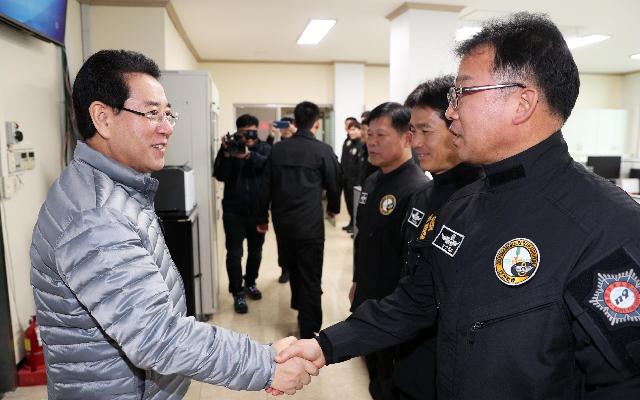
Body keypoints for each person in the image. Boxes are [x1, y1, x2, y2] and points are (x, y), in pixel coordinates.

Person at [276, 12, 640, 399]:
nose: (451, 112)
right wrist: (324, 345)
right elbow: (414, 301)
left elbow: (625, 383)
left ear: (522, 102)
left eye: (462, 94)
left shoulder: (607, 225)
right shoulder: (461, 206)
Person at [29, 49, 317, 399]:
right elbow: (157, 335)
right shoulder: (96, 216)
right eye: (152, 114)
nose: (166, 128)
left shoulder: (113, 190)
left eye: (168, 114)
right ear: (102, 118)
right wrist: (265, 364)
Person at [392, 76, 483, 400]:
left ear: (456, 124)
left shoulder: (481, 201)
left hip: (451, 371)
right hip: (409, 358)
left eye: (425, 130)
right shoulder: (423, 195)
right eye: (413, 131)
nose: (415, 142)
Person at [349, 102, 429, 399]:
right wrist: (358, 280)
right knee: (374, 376)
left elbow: (413, 263)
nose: (371, 141)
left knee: (389, 382)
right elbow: (364, 239)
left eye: (381, 135)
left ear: (407, 138)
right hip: (369, 297)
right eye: (369, 134)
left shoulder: (417, 189)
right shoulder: (372, 180)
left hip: (393, 310)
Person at [260, 101, 341, 339]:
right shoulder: (323, 150)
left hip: (284, 224)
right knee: (311, 274)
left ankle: (300, 308)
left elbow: (265, 186)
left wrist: (261, 216)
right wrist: (333, 209)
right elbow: (334, 183)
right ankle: (309, 330)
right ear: (316, 124)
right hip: (310, 224)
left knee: (293, 268)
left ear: (294, 122)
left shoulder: (278, 150)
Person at [213, 114, 271, 313]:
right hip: (233, 211)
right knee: (234, 253)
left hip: (259, 212)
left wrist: (248, 155)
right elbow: (219, 175)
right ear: (238, 131)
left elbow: (268, 167)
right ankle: (237, 292)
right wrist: (226, 154)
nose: (249, 135)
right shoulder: (229, 148)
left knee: (256, 253)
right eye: (245, 132)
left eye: (252, 130)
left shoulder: (264, 148)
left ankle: (251, 283)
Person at [340, 116, 361, 232]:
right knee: (348, 202)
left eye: (354, 129)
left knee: (355, 204)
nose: (351, 132)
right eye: (350, 129)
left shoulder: (361, 145)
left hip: (356, 180)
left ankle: (356, 226)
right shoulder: (348, 142)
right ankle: (351, 222)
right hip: (346, 179)